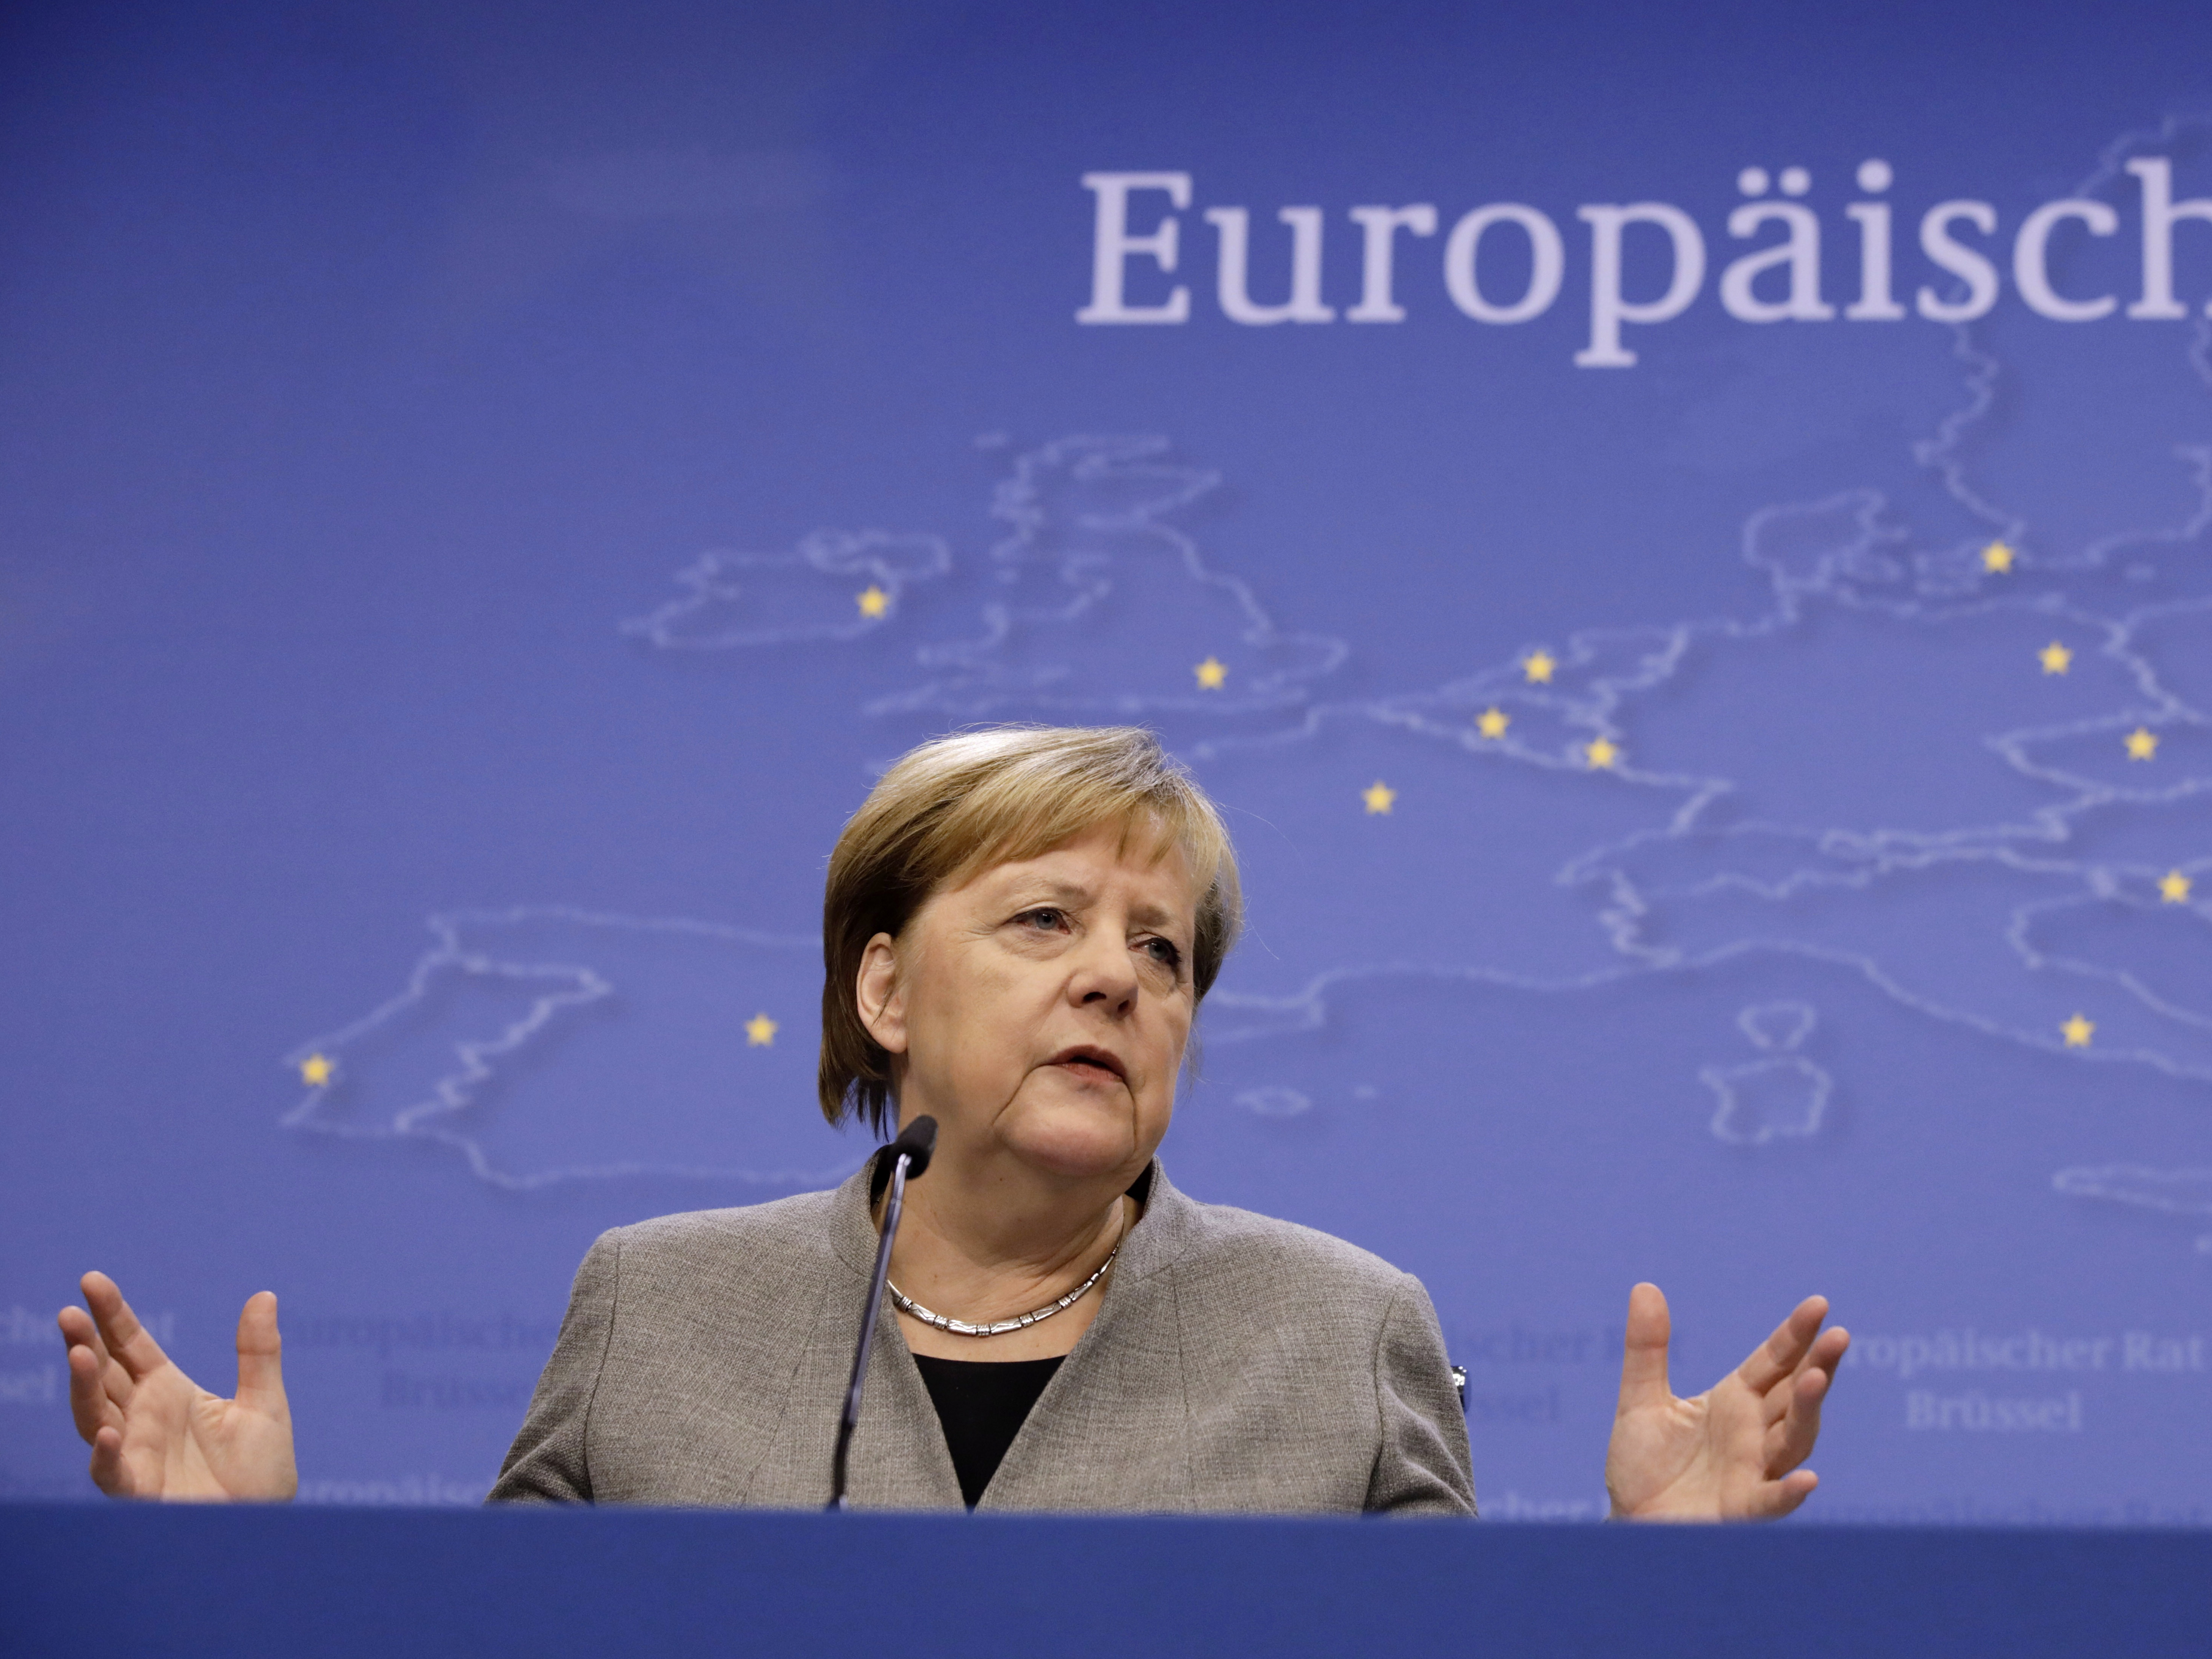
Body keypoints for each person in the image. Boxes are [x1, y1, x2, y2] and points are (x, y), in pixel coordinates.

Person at [60, 724, 1847, 1515]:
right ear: (886, 992)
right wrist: (237, 1585)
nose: (1120, 979)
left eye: (1164, 949)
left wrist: (1658, 1605)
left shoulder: (1338, 1329)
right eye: (1046, 922)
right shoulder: (655, 1309)